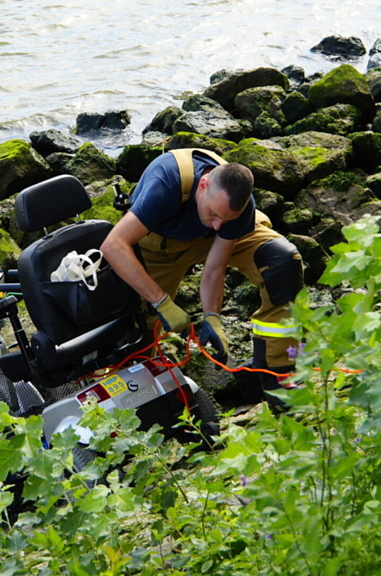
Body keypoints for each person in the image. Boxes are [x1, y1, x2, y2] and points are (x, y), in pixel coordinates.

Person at [100, 148, 305, 403]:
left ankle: (277, 376)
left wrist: (213, 317)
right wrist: (162, 302)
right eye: (215, 215)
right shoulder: (166, 183)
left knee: (281, 262)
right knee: (135, 329)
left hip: (206, 243)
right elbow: (113, 245)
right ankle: (130, 404)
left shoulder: (234, 210)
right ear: (203, 185)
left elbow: (214, 267)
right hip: (158, 249)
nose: (219, 224)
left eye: (226, 220)